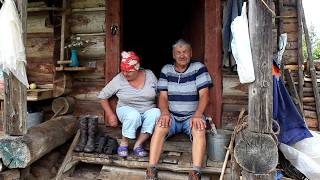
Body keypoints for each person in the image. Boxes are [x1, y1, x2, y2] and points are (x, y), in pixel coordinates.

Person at [146, 39, 213, 180]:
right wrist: (164, 113)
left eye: (185, 52)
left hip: (192, 116)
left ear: (191, 53)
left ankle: (196, 172)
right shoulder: (166, 70)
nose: (182, 55)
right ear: (173, 55)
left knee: (199, 129)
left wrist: (198, 114)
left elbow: (204, 95)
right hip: (173, 116)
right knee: (160, 126)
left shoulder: (198, 68)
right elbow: (163, 97)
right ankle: (151, 169)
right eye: (178, 53)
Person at [98, 51, 160, 158]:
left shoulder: (149, 75)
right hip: (126, 110)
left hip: (147, 110)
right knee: (133, 115)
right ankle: (124, 142)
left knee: (156, 113)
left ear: (137, 68)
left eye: (129, 71)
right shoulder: (119, 79)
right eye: (123, 71)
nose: (125, 74)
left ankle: (138, 145)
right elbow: (102, 96)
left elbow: (160, 94)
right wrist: (110, 114)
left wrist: (163, 111)